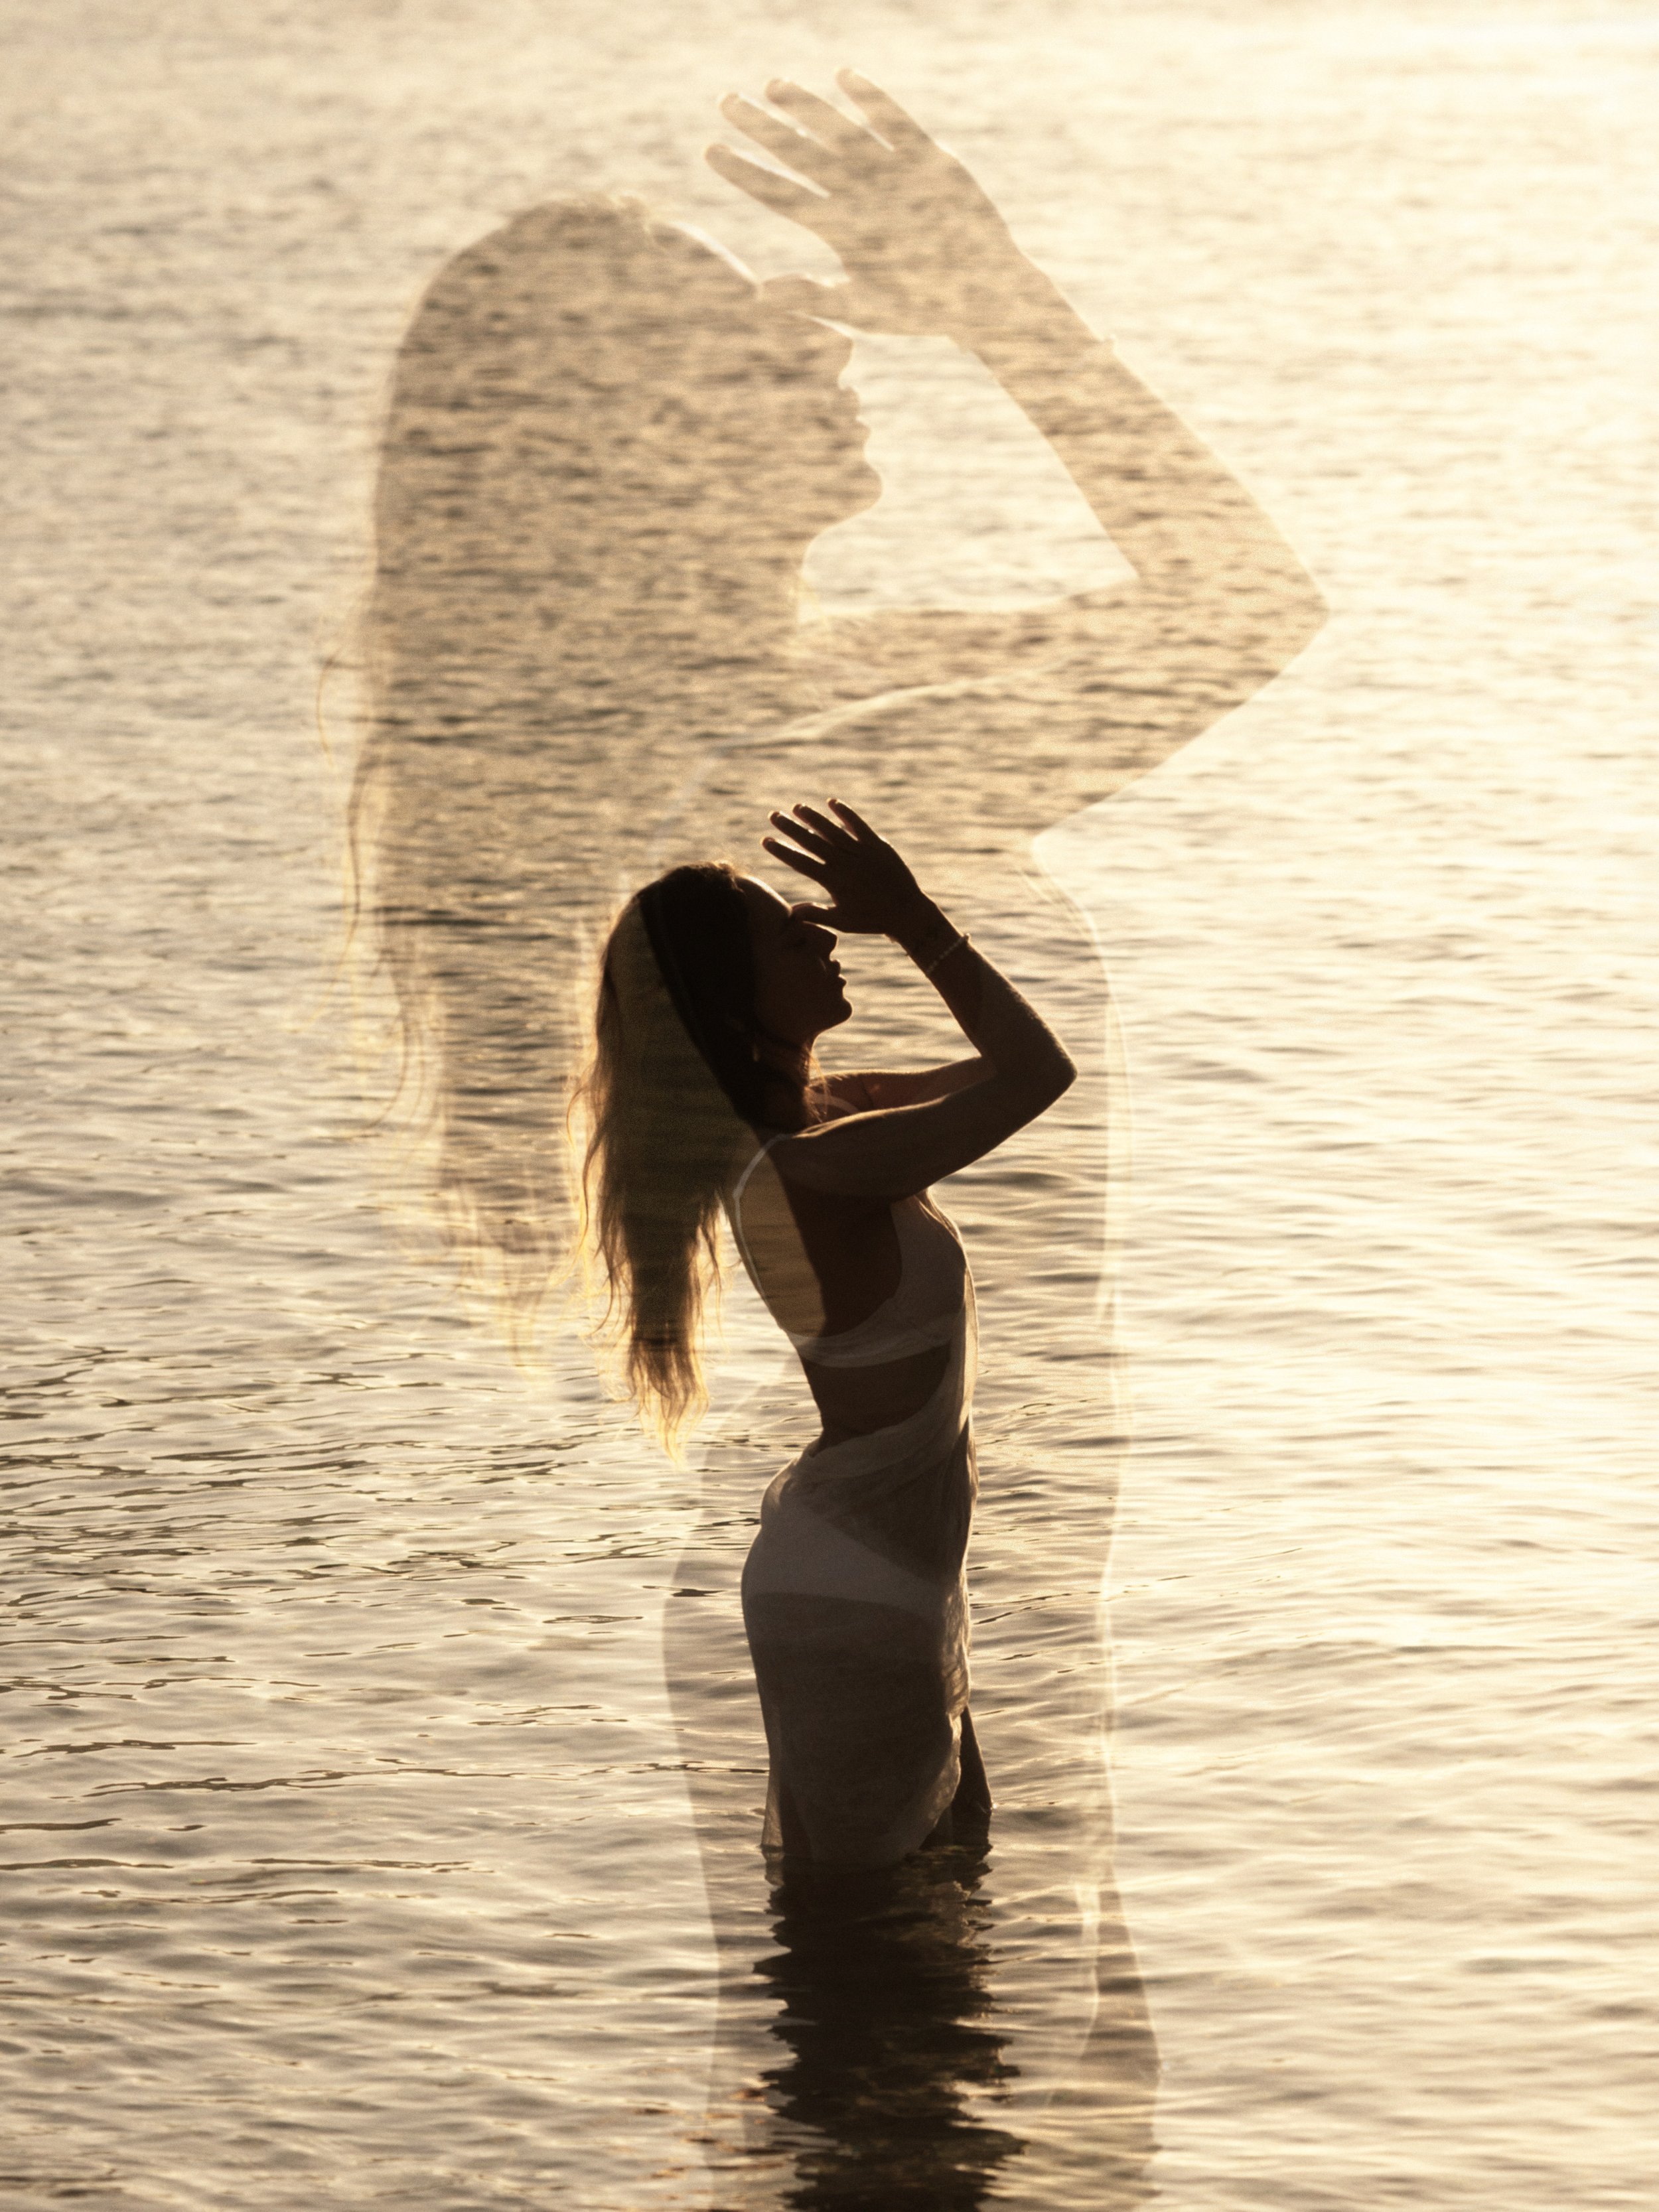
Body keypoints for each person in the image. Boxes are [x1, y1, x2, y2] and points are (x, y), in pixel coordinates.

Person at [577, 797, 1076, 1867]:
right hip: (856, 1592)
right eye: (783, 930)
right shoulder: (812, 1169)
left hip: (895, 1580)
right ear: (730, 993)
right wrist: (915, 919)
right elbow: (1037, 1074)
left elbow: (1024, 1063)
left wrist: (906, 916)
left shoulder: (829, 1121)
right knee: (866, 1936)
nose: (823, 930)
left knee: (936, 1907)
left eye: (815, 915)